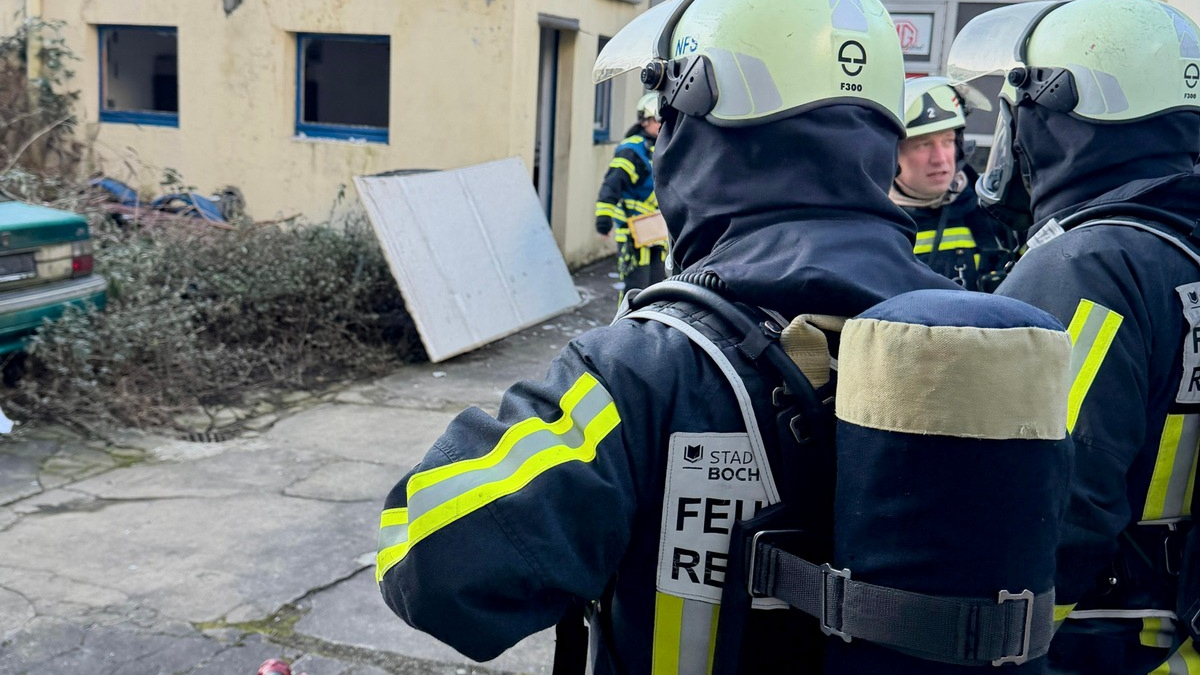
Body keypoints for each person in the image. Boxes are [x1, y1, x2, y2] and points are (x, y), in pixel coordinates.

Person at [375, 0, 978, 671]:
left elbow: (430, 566)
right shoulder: (978, 339)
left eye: (670, 119)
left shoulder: (640, 368)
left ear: (700, 134)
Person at [948, 0, 1200, 672]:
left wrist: (983, 654)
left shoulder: (1088, 267)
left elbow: (1045, 497)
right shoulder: (1181, 246)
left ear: (1061, 116)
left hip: (1098, 646)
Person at [891, 76, 1010, 291]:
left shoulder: (993, 213)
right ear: (892, 154)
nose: (940, 158)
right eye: (923, 144)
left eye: (947, 141)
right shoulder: (874, 224)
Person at [595, 92, 667, 299]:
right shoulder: (632, 151)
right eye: (657, 120)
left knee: (657, 289)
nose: (662, 125)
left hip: (657, 232)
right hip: (633, 233)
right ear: (645, 120)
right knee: (635, 291)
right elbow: (611, 186)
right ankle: (628, 329)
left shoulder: (662, 147)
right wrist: (603, 221)